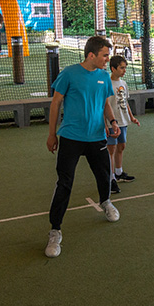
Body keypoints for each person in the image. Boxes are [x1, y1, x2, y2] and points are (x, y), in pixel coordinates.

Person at [45, 36, 121, 258]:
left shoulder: (103, 76)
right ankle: (55, 230)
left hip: (97, 137)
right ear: (91, 55)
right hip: (71, 138)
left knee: (103, 173)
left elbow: (106, 104)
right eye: (105, 56)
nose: (107, 60)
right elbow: (55, 103)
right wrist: (52, 134)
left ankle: (106, 202)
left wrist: (113, 122)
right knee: (65, 183)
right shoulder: (69, 73)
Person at [106, 55, 140, 195]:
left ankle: (119, 173)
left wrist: (131, 118)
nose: (124, 70)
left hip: (123, 121)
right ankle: (111, 178)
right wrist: (106, 124)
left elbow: (125, 102)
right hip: (111, 123)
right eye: (121, 68)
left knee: (122, 146)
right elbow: (105, 105)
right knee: (111, 149)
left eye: (125, 67)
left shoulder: (123, 84)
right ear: (113, 68)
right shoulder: (107, 84)